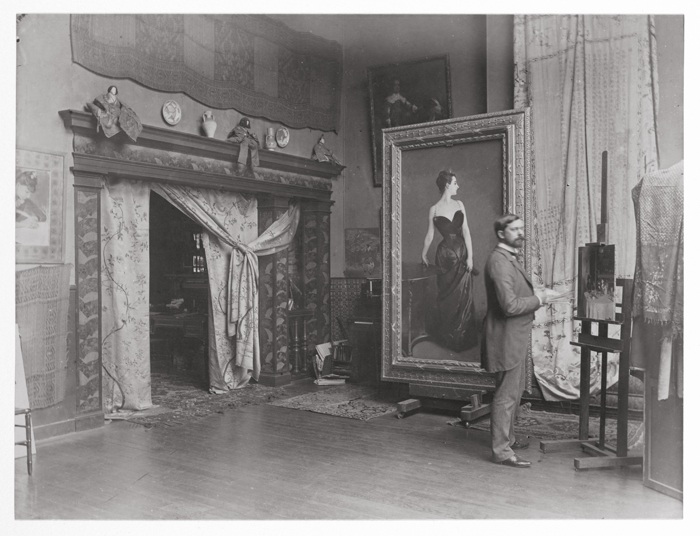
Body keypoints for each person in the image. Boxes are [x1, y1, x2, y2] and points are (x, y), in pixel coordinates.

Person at [482, 214, 549, 468]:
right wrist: (539, 299)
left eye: (522, 228)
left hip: (514, 336)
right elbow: (509, 306)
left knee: (514, 391)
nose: (520, 233)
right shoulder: (499, 261)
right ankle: (501, 451)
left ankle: (507, 440)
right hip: (505, 337)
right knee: (506, 395)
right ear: (501, 234)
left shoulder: (508, 258)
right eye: (514, 229)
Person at [421, 170, 478, 352]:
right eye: (455, 183)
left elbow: (466, 231)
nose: (457, 186)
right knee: (447, 296)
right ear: (447, 185)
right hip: (445, 257)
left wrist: (470, 257)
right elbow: (430, 235)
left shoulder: (460, 204)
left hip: (461, 253)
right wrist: (423, 253)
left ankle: (462, 339)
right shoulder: (434, 209)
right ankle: (448, 338)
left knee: (464, 294)